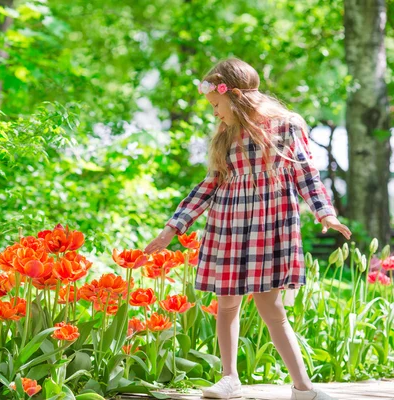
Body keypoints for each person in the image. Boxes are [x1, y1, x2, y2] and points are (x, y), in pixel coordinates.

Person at [144, 58, 351, 400]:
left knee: (271, 308)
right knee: (227, 305)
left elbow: (307, 175)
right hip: (228, 225)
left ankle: (304, 389)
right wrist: (172, 228)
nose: (214, 113)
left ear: (235, 95)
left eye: (216, 105)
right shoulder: (225, 136)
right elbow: (208, 187)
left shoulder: (286, 126)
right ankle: (229, 379)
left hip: (270, 227)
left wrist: (325, 214)